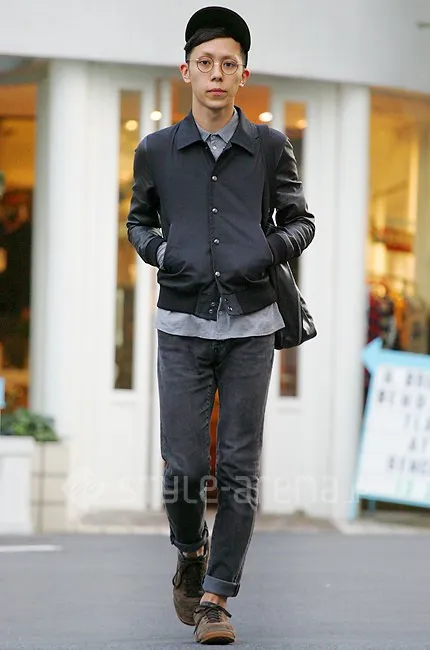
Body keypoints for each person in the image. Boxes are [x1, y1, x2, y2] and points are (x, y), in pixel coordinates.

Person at [127, 6, 315, 644]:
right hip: (181, 324)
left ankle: (214, 600)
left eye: (227, 64)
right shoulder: (156, 150)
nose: (215, 74)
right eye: (204, 63)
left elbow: (301, 221)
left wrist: (263, 251)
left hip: (251, 328)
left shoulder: (269, 147)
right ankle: (190, 550)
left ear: (243, 74)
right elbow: (138, 222)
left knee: (238, 466)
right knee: (183, 465)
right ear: (186, 71)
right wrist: (161, 252)